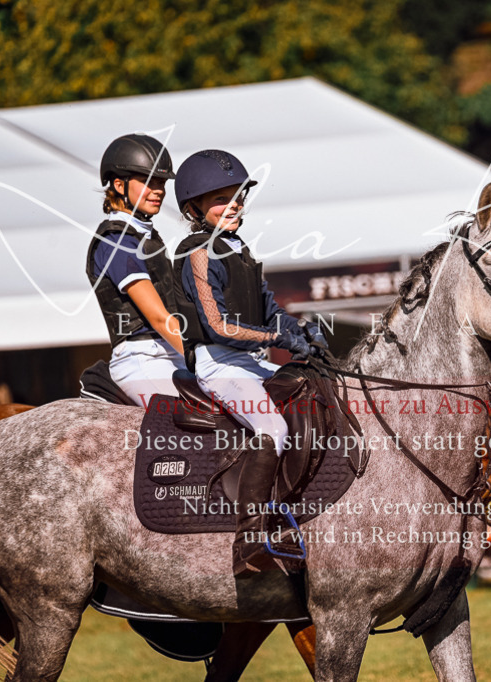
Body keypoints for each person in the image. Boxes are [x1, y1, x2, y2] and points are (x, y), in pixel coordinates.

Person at [172, 149, 325, 575]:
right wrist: (280, 338)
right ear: (193, 209)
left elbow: (270, 311)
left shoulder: (239, 251)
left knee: (316, 395)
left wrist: (302, 330)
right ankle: (249, 541)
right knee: (273, 428)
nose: (234, 204)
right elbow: (218, 325)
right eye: (221, 199)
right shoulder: (198, 253)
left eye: (238, 196)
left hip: (249, 363)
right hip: (219, 367)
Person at [86, 134, 186, 407]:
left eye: (161, 182)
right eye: (148, 181)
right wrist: (199, 356)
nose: (158, 190)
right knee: (186, 419)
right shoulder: (117, 241)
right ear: (119, 185)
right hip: (142, 359)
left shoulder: (146, 237)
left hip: (169, 354)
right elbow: (158, 318)